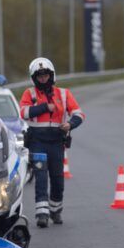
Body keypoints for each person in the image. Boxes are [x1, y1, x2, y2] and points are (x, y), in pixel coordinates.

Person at [19, 57, 85, 228]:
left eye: (45, 75)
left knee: (57, 177)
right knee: (40, 176)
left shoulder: (64, 94)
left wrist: (70, 124)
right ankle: (42, 213)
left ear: (51, 75)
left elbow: (79, 114)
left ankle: (56, 209)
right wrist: (43, 107)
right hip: (37, 140)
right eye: (39, 75)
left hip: (56, 140)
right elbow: (23, 112)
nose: (43, 78)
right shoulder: (30, 93)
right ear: (34, 77)